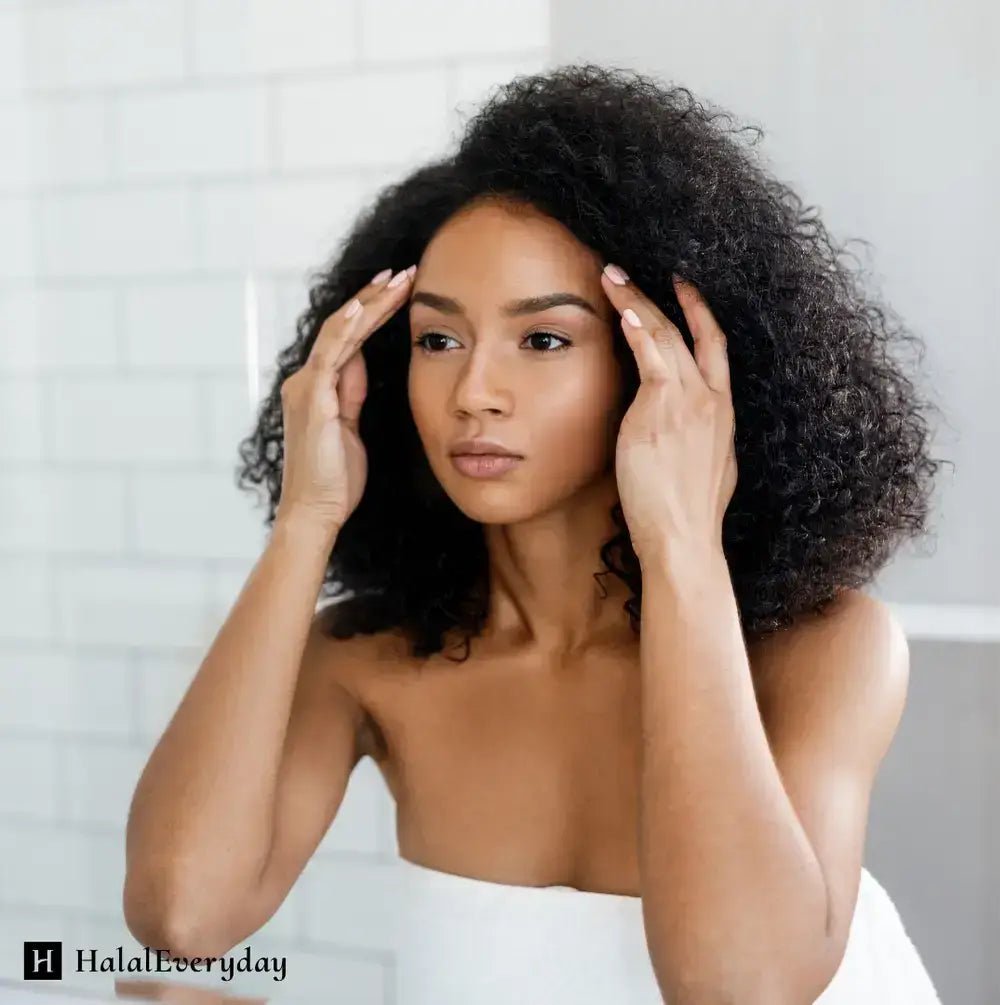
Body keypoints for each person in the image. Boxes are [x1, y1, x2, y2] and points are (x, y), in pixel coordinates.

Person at [124, 64, 947, 1003]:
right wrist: (304, 521)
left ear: (661, 366)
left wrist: (682, 542)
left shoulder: (821, 648)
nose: (473, 391)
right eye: (437, 340)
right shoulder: (369, 658)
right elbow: (181, 916)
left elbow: (738, 987)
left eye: (543, 339)